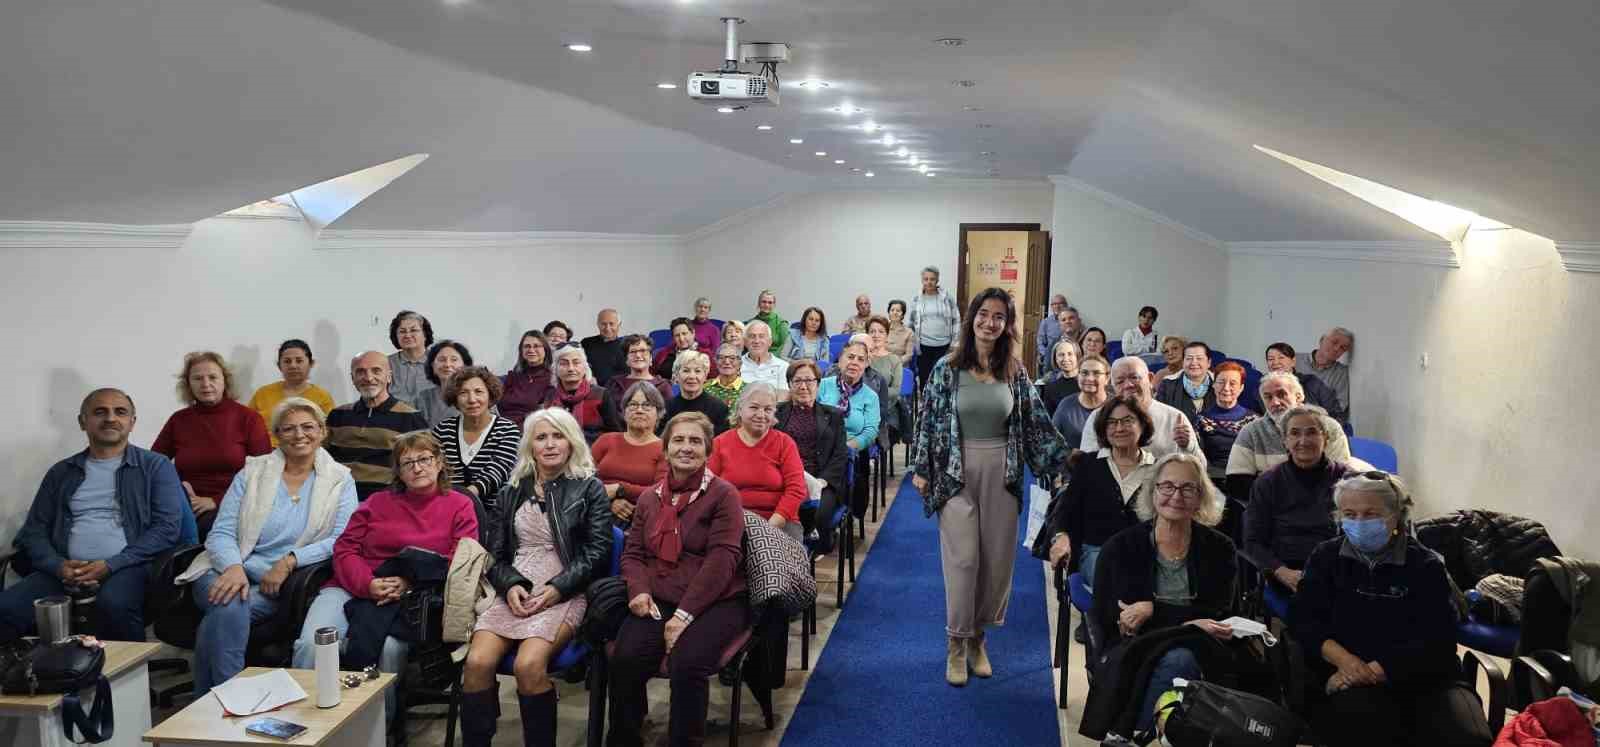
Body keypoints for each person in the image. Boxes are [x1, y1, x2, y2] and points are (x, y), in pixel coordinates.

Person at [910, 287, 1066, 687]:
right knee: (963, 561)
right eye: (984, 313)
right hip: (955, 471)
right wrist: (922, 468)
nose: (989, 322)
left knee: (995, 562)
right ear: (972, 318)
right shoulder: (946, 367)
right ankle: (956, 642)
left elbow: (1035, 421)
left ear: (1006, 324)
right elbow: (928, 420)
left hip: (1002, 471)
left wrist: (1065, 462)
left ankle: (978, 639)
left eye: (999, 316)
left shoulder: (1014, 370)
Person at [1291, 472, 1494, 747]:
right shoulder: (1326, 557)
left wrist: (1374, 670)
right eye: (1349, 514)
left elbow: (1439, 639)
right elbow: (1303, 620)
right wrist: (1347, 663)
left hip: (1426, 677)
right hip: (1347, 675)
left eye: (1371, 514)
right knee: (1367, 729)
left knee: (1468, 738)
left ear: (1396, 516)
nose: (1359, 522)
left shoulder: (1425, 565)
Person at [291, 431, 479, 719]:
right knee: (312, 644)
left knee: (389, 649)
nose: (417, 468)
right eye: (408, 463)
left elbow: (461, 558)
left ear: (440, 462)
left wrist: (409, 581)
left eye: (425, 459)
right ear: (398, 472)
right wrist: (367, 584)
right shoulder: (377, 502)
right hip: (351, 585)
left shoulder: (459, 504)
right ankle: (308, 722)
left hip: (414, 596)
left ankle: (379, 727)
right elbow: (345, 548)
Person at [181, 398, 357, 696]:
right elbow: (221, 531)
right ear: (276, 435)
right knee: (230, 602)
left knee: (224, 613)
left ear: (322, 431)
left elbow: (341, 539)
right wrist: (233, 567)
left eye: (307, 427)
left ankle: (212, 700)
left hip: (278, 584)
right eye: (288, 428)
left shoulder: (340, 479)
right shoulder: (252, 473)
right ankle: (231, 697)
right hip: (221, 569)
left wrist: (290, 560)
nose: (299, 435)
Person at [457, 408, 611, 747]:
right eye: (541, 437)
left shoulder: (590, 488)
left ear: (571, 442)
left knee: (528, 666)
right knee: (477, 662)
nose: (550, 444)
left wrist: (557, 588)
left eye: (558, 436)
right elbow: (494, 553)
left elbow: (598, 552)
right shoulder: (511, 490)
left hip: (566, 587)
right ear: (530, 445)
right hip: (515, 586)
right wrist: (510, 584)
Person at [609, 412, 749, 747]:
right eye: (678, 440)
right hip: (661, 593)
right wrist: (638, 591)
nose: (686, 447)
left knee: (687, 663)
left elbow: (721, 562)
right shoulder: (650, 497)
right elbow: (633, 554)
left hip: (717, 599)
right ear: (666, 448)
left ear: (708, 450)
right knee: (625, 657)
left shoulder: (723, 495)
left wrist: (683, 617)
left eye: (695, 441)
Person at [1, 389, 185, 642]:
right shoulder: (61, 472)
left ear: (132, 422)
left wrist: (111, 565)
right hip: (65, 569)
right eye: (100, 412)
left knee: (114, 605)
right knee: (7, 608)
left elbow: (167, 528)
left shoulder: (155, 466)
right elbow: (33, 531)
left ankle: (127, 669)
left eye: (120, 412)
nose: (110, 418)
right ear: (82, 421)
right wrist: (58, 566)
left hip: (129, 565)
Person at [1089, 453, 1239, 736]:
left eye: (1187, 488)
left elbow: (1217, 611)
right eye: (1167, 486)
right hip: (1135, 643)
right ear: (1153, 491)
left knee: (1183, 658)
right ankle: (1149, 734)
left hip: (1202, 642)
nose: (1176, 496)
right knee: (1178, 661)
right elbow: (1109, 612)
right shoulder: (1121, 547)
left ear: (1201, 497)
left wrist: (1153, 610)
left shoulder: (1220, 548)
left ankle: (1132, 734)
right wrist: (1185, 621)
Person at [153, 351, 272, 538]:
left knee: (200, 531)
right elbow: (154, 463)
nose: (206, 384)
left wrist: (216, 500)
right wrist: (179, 490)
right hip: (186, 503)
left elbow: (264, 472)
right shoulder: (179, 420)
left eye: (213, 377)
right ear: (188, 384)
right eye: (198, 378)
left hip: (235, 503)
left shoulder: (248, 418)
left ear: (225, 381)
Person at [1044, 394, 1157, 588]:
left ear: (1143, 425)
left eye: (1127, 421)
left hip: (1144, 554)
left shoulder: (1158, 469)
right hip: (1097, 553)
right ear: (1104, 429)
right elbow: (1066, 511)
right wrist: (1061, 537)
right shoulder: (1088, 464)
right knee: (1113, 577)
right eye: (1112, 423)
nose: (1119, 428)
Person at [1244, 405, 1356, 595]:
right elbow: (1252, 541)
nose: (1303, 441)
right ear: (1285, 441)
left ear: (1325, 438)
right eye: (1295, 433)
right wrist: (1281, 571)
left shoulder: (1348, 480)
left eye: (1312, 432)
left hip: (1338, 568)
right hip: (1285, 571)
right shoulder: (1267, 482)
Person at [1224, 372, 1359, 501]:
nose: (1275, 402)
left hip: (1322, 506)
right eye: (1268, 397)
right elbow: (1236, 483)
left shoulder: (1329, 426)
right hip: (1270, 508)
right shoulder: (1251, 431)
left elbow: (1340, 479)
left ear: (1299, 397)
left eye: (1281, 394)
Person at [708, 382, 807, 540]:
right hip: (731, 519)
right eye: (754, 407)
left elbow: (796, 489)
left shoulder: (785, 443)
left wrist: (770, 526)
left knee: (774, 555)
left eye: (768, 409)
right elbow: (709, 488)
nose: (761, 415)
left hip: (779, 520)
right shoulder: (720, 443)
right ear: (740, 409)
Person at [326, 351, 430, 500]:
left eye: (376, 371)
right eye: (360, 372)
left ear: (389, 377)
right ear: (353, 379)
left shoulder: (411, 418)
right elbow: (322, 460)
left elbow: (424, 467)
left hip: (388, 501)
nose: (368, 378)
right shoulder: (337, 415)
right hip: (338, 499)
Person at [777, 360, 849, 553]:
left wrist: (823, 481)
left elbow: (840, 455)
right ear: (789, 384)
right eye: (797, 381)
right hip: (784, 478)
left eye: (809, 380)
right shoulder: (777, 413)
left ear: (818, 384)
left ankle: (814, 549)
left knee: (818, 514)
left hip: (820, 479)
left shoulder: (833, 415)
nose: (803, 386)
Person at [430, 366, 521, 513]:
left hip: (494, 515)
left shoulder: (507, 429)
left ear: (490, 395)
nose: (472, 400)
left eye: (479, 392)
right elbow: (435, 471)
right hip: (449, 511)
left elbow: (498, 470)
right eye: (463, 393)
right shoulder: (442, 431)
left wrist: (464, 497)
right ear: (455, 398)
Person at [1080, 356, 1202, 459]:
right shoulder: (1098, 417)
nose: (1128, 385)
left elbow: (1200, 468)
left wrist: (1189, 447)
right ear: (1113, 387)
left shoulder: (1174, 418)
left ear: (1150, 379)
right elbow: (1086, 463)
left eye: (1134, 377)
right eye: (1120, 381)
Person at [820, 340, 881, 522]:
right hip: (820, 448)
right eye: (850, 357)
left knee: (843, 467)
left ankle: (830, 515)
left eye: (861, 359)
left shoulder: (871, 396)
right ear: (840, 360)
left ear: (866, 365)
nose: (854, 362)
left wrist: (846, 448)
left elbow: (870, 431)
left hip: (849, 451)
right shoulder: (823, 385)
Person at [592, 382, 668, 525]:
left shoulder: (665, 449)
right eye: (633, 405)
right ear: (624, 412)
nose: (639, 410)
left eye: (647, 405)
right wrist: (610, 502)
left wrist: (620, 489)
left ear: (658, 413)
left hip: (641, 519)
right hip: (596, 511)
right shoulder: (606, 440)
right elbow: (583, 480)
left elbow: (661, 492)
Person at [247, 339, 337, 446]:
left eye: (299, 361)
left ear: (311, 363)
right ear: (279, 366)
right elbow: (247, 426)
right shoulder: (263, 394)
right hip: (267, 452)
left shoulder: (322, 397)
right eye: (287, 361)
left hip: (306, 451)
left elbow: (327, 434)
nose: (293, 366)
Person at [1195, 362, 1260, 481]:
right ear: (1214, 385)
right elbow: (1198, 459)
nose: (1226, 388)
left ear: (1241, 388)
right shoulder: (1201, 420)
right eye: (1221, 382)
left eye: (1233, 383)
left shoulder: (1254, 420)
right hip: (1212, 480)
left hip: (1247, 479)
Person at [601, 334, 673, 434]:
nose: (638, 355)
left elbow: (666, 421)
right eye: (633, 352)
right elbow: (608, 417)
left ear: (651, 358)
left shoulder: (663, 386)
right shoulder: (613, 384)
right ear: (627, 360)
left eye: (643, 351)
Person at [1265, 342, 1347, 424]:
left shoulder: (1311, 383)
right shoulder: (1262, 387)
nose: (1275, 362)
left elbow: (1336, 414)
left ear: (1293, 361)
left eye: (1281, 357)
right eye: (1271, 359)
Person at [908, 265, 962, 390]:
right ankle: (925, 401)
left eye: (932, 279)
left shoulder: (946, 298)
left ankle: (939, 401)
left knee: (941, 378)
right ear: (922, 280)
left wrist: (955, 343)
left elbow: (956, 319)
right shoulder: (917, 299)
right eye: (926, 279)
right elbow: (911, 322)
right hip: (923, 346)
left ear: (937, 280)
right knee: (924, 377)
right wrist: (910, 343)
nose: (929, 282)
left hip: (944, 346)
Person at [1052, 354, 1110, 453]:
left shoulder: (1116, 405)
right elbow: (1052, 442)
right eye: (1084, 373)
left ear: (1107, 378)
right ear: (1078, 376)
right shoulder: (1066, 405)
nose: (1090, 378)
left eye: (1096, 373)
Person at [548, 345, 606, 443]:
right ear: (555, 369)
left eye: (576, 363)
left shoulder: (600, 394)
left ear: (585, 368)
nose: (571, 368)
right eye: (564, 363)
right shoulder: (550, 396)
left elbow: (614, 432)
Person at [664, 351, 730, 435]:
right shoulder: (667, 407)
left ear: (705, 376)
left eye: (697, 371)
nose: (692, 376)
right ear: (676, 376)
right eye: (686, 371)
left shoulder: (719, 408)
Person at [1155, 341, 1218, 427]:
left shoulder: (1219, 384)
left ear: (1209, 362)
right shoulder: (1167, 384)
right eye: (1189, 358)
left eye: (1199, 358)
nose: (1194, 363)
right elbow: (1159, 418)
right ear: (1183, 362)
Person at [501, 330, 556, 428]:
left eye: (536, 346)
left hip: (530, 430)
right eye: (527, 346)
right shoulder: (513, 376)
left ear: (546, 350)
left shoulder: (552, 379)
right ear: (521, 351)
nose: (531, 350)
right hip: (502, 428)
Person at [866, 315, 908, 440]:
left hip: (886, 408)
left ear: (887, 335)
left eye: (881, 331)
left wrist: (872, 391)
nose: (876, 335)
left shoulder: (894, 360)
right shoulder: (862, 357)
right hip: (862, 406)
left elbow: (895, 390)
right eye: (872, 331)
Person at [1295, 327, 1353, 417]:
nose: (1337, 348)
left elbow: (1340, 407)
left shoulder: (1341, 372)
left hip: (1318, 419)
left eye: (1342, 348)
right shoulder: (1294, 359)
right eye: (1334, 342)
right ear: (1321, 340)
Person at [414, 339, 473, 427]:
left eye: (454, 360)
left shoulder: (478, 394)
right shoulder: (423, 398)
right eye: (442, 360)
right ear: (433, 366)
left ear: (465, 366)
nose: (447, 365)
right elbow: (416, 431)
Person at [387, 310, 435, 406]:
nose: (407, 335)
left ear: (425, 335)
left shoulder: (440, 361)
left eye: (413, 330)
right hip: (395, 414)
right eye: (402, 331)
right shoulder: (386, 363)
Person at [739, 320, 790, 399]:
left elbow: (783, 397)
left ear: (770, 342)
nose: (756, 341)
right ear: (745, 342)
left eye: (761, 336)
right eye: (752, 336)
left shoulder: (783, 366)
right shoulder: (737, 364)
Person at [580, 308, 626, 386]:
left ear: (619, 324)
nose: (607, 328)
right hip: (590, 388)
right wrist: (588, 376)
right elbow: (579, 365)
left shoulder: (626, 346)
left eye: (611, 324)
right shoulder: (586, 343)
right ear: (598, 324)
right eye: (603, 324)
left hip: (617, 389)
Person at [1037, 337, 1082, 417]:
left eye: (1070, 354)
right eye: (1061, 355)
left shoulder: (1086, 383)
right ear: (1055, 359)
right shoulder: (1050, 388)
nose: (1065, 359)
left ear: (1077, 356)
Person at [747, 289, 790, 354]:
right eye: (764, 302)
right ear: (759, 303)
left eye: (770, 302)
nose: (766, 305)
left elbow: (784, 347)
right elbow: (747, 345)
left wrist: (768, 358)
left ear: (774, 305)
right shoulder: (750, 323)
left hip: (776, 358)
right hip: (754, 357)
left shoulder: (782, 323)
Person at [1035, 293, 1069, 373]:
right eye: (1054, 304)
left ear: (1066, 305)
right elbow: (1040, 342)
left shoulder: (1071, 321)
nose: (1057, 306)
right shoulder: (1046, 322)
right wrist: (1046, 354)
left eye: (1060, 303)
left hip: (1067, 357)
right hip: (1050, 357)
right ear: (1051, 307)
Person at [705, 344, 745, 410]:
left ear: (740, 363)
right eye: (721, 358)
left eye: (732, 358)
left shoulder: (748, 390)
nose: (727, 362)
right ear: (716, 362)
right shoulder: (705, 387)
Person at [885, 299, 916, 366]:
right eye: (892, 310)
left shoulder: (909, 332)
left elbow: (908, 355)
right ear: (889, 313)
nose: (895, 313)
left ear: (902, 315)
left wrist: (895, 363)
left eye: (898, 311)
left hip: (900, 366)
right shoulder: (882, 329)